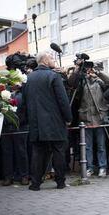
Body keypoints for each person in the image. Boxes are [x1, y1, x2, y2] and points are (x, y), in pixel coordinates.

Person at [21, 51, 72, 191]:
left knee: (38, 153)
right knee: (59, 151)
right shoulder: (53, 76)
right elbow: (63, 100)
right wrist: (68, 118)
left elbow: (24, 102)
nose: (53, 59)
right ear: (44, 60)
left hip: (36, 123)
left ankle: (35, 184)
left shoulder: (29, 78)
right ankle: (60, 182)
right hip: (54, 122)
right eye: (51, 57)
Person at [78, 67, 109, 178]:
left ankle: (103, 167)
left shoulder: (99, 81)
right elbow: (72, 84)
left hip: (100, 117)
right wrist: (82, 74)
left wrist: (97, 73)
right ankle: (89, 167)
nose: (89, 72)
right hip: (86, 117)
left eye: (90, 70)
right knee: (87, 146)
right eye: (88, 70)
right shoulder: (82, 82)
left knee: (101, 145)